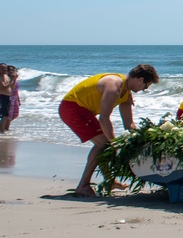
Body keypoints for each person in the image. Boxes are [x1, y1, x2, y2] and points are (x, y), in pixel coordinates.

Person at [59, 64, 159, 197]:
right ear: (140, 80)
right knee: (104, 144)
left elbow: (129, 124)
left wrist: (144, 139)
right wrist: (115, 144)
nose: (144, 89)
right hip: (72, 107)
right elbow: (104, 119)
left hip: (84, 110)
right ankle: (83, 186)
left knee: (106, 145)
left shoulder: (126, 93)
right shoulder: (114, 85)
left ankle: (110, 181)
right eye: (146, 86)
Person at [0, 63, 13, 134]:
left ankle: (1, 130)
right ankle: (0, 130)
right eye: (2, 68)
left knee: (7, 115)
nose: (4, 70)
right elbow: (4, 87)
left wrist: (14, 79)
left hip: (8, 97)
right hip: (1, 97)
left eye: (5, 68)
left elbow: (11, 87)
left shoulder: (6, 76)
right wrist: (12, 80)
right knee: (4, 115)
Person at [6, 65, 21, 130]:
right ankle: (6, 127)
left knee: (15, 114)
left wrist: (18, 99)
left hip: (15, 98)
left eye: (12, 70)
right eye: (9, 70)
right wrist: (14, 79)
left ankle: (5, 124)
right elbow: (10, 87)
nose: (11, 72)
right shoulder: (7, 79)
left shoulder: (14, 79)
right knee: (10, 114)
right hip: (9, 97)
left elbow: (16, 90)